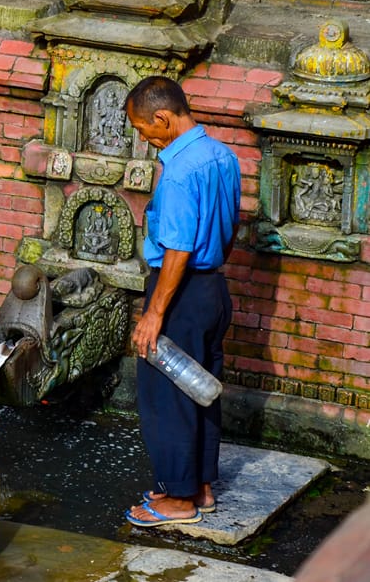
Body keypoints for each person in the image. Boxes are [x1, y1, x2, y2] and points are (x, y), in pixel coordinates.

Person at [124, 76, 240, 528]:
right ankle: (201, 486)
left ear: (163, 118)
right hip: (212, 289)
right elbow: (227, 231)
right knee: (202, 390)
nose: (143, 138)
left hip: (179, 291)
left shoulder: (178, 172)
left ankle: (177, 498)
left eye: (143, 128)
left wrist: (154, 313)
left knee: (167, 396)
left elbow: (177, 250)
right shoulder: (223, 156)